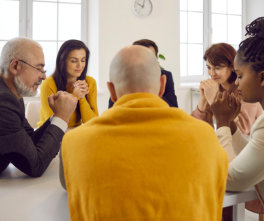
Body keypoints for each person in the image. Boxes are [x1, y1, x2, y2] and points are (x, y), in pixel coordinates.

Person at [60, 45, 228, 221]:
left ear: (111, 91)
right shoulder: (205, 136)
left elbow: (68, 185)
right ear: (162, 85)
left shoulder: (74, 141)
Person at [210, 14, 264, 221]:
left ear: (263, 77)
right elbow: (255, 153)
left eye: (240, 75)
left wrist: (221, 123)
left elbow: (230, 179)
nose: (236, 83)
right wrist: (230, 126)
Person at [0, 37, 77, 177]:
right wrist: (62, 117)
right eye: (39, 68)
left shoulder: (12, 95)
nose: (44, 76)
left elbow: (30, 141)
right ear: (15, 66)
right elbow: (35, 165)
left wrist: (57, 115)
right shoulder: (4, 102)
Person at [192, 43, 262, 136]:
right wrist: (203, 99)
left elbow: (241, 131)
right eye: (209, 67)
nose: (212, 73)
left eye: (217, 68)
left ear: (232, 66)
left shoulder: (246, 88)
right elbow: (197, 128)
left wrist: (214, 100)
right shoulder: (217, 88)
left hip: (251, 143)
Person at [38, 39, 98, 128]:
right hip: (50, 134)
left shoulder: (90, 82)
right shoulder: (48, 84)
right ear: (62, 61)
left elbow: (93, 123)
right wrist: (75, 96)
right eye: (74, 61)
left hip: (75, 133)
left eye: (83, 60)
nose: (80, 65)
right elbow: (55, 124)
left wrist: (82, 98)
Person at [108, 39, 178, 108]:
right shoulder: (121, 76)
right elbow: (112, 107)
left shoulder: (165, 75)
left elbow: (173, 105)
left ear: (156, 59)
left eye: (150, 57)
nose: (144, 61)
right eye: (140, 57)